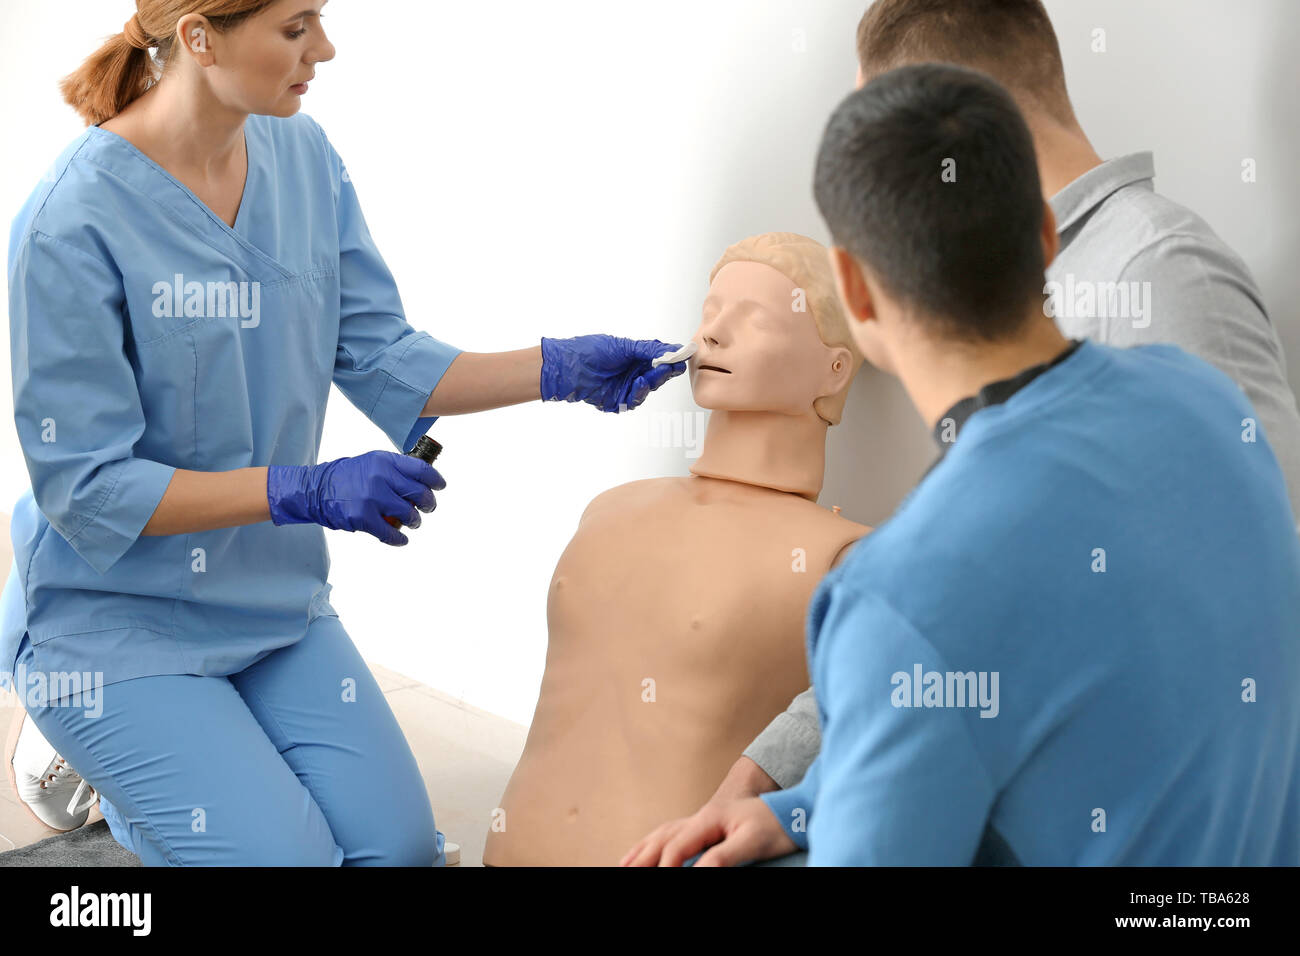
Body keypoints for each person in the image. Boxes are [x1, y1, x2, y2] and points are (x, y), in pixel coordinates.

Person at [1, 0, 685, 866]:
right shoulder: (72, 221)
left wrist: (556, 370)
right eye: (296, 28)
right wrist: (305, 491)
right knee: (286, 859)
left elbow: (385, 354)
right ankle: (112, 777)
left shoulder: (301, 154)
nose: (325, 48)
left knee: (397, 853)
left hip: (270, 602)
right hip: (112, 622)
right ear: (200, 37)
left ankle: (190, 764)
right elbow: (86, 489)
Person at [631, 0, 1300, 859]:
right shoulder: (1193, 400)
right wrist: (798, 800)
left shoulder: (1164, 281)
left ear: (856, 297)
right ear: (1045, 234)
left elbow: (1212, 636)